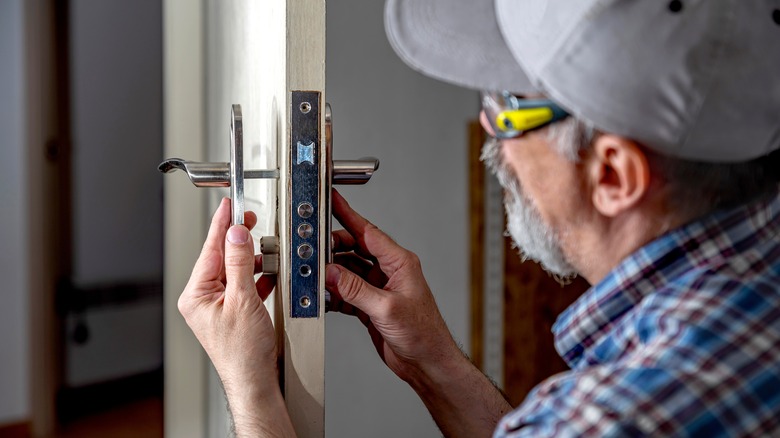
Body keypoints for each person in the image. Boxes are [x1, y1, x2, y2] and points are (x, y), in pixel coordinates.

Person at [177, 0, 780, 436]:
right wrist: (434, 363)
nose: (490, 135)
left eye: (510, 105)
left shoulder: (612, 417)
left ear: (614, 175)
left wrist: (251, 389)